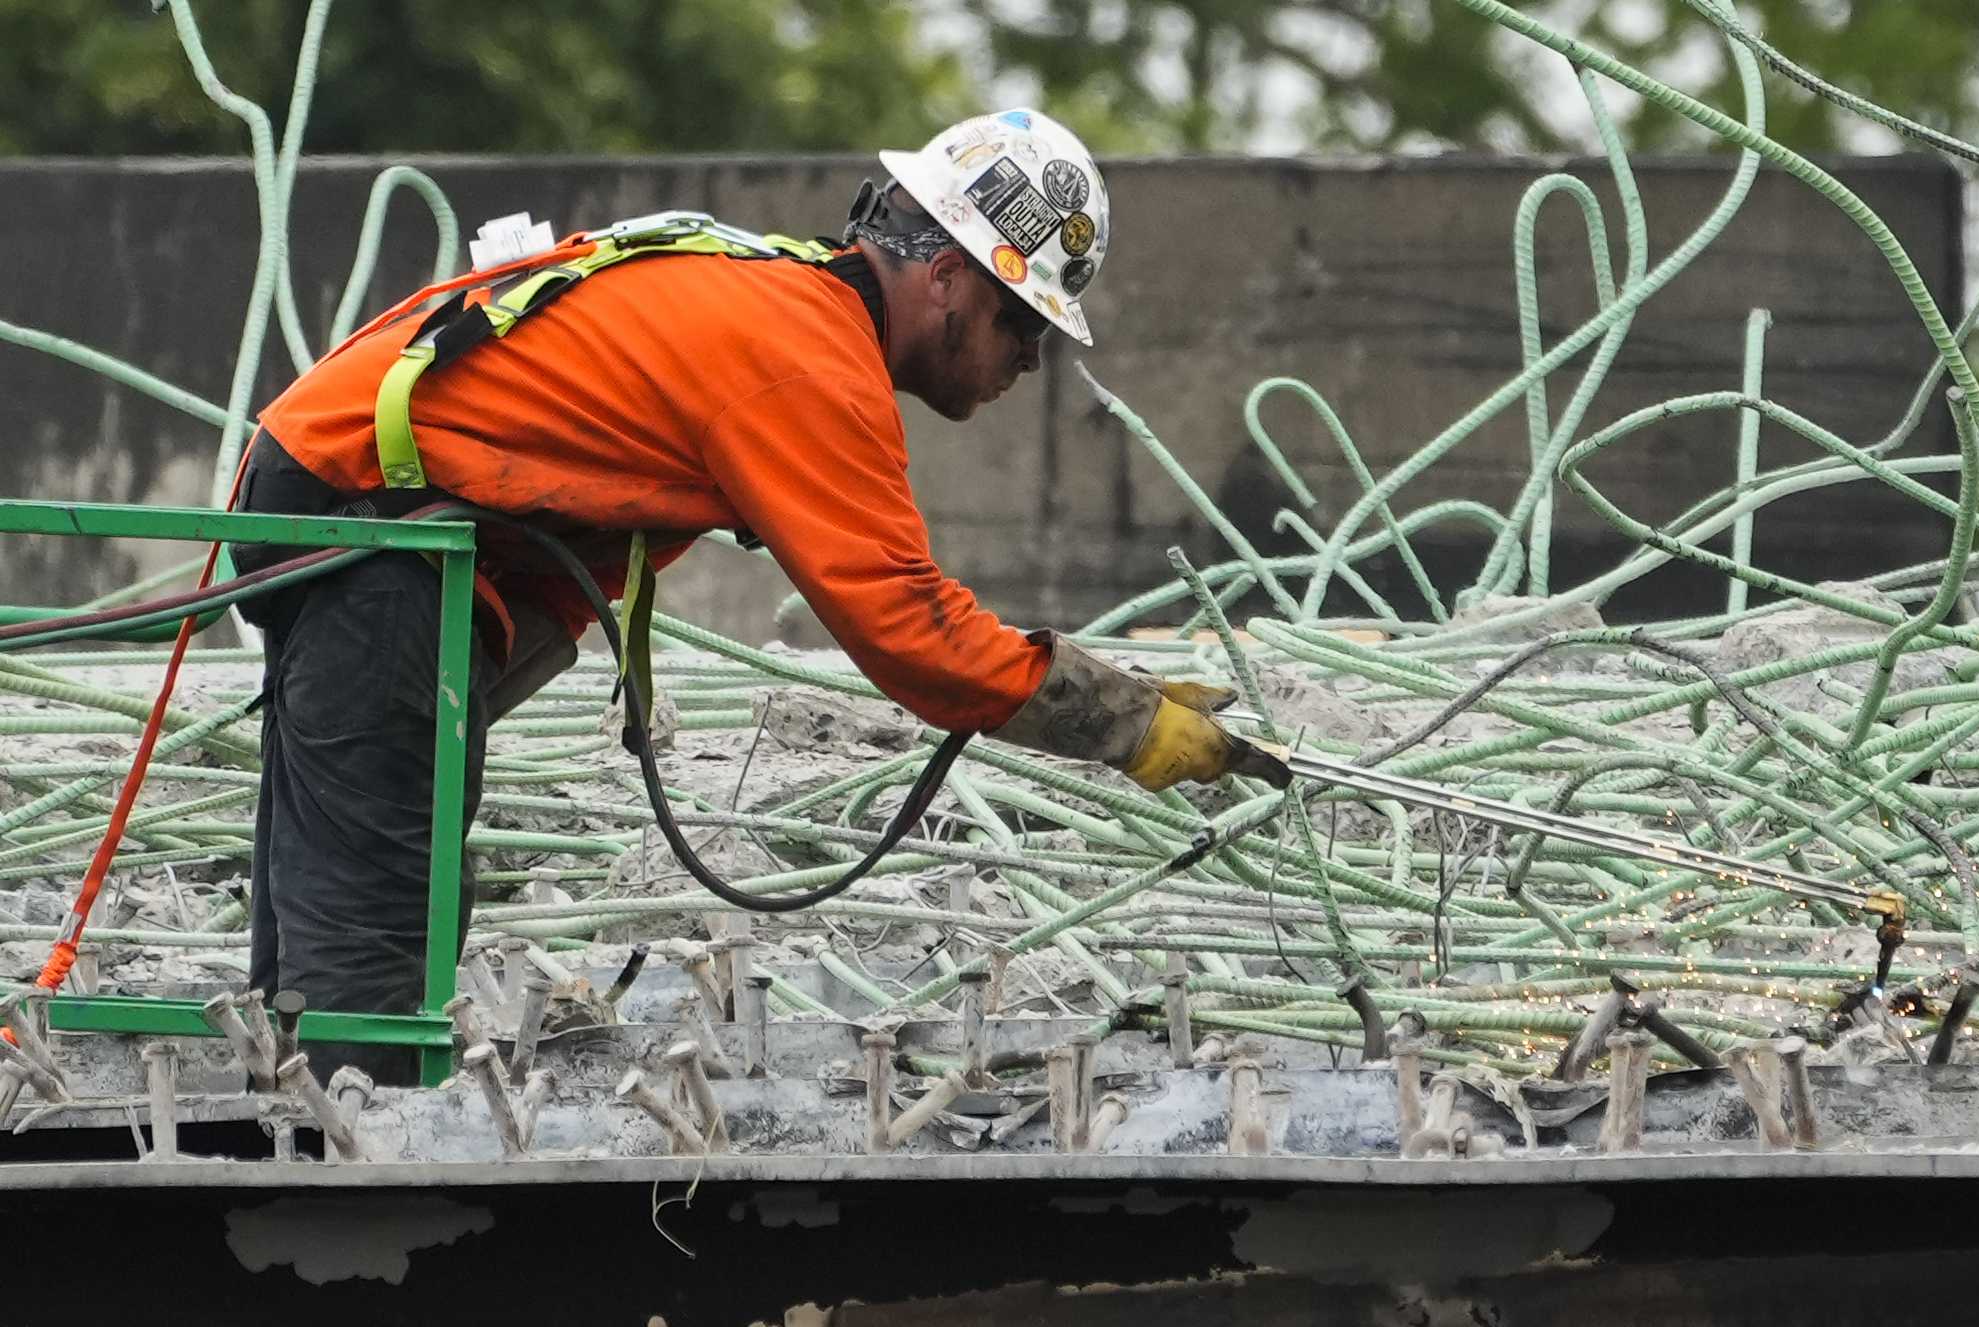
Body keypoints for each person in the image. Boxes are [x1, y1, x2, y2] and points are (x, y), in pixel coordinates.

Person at [230, 109, 1283, 1084]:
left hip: (381, 527)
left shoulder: (788, 302)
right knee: (377, 939)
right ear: (951, 279)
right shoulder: (804, 358)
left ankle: (312, 1129)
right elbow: (909, 629)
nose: (1030, 360)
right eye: (1023, 323)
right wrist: (1124, 719)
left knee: (370, 914)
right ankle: (353, 1202)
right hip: (367, 527)